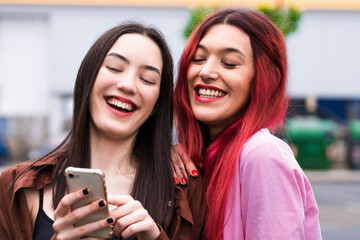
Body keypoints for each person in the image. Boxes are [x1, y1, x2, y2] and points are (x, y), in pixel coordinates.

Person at [0, 23, 204, 240]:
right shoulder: (17, 188)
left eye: (147, 79)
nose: (128, 85)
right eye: (115, 68)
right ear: (89, 76)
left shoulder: (185, 192)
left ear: (157, 104)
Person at [173, 7, 322, 240]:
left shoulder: (263, 155)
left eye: (230, 63)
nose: (206, 71)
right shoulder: (198, 158)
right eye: (198, 58)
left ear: (261, 79)